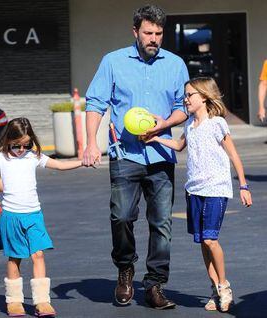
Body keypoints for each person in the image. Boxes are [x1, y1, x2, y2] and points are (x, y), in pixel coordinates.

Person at [83, 4, 189, 309]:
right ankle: (125, 270)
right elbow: (95, 103)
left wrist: (164, 125)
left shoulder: (176, 64)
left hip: (160, 156)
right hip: (124, 155)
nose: (154, 38)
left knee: (162, 224)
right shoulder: (113, 62)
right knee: (122, 217)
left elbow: (184, 107)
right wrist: (92, 142)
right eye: (148, 33)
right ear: (135, 32)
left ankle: (155, 285)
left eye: (158, 33)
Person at [146, 77, 252, 312]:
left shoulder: (217, 124)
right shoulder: (189, 125)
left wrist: (243, 186)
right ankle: (214, 289)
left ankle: (224, 287)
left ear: (204, 96)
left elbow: (234, 156)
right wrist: (155, 138)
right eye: (185, 95)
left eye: (190, 94)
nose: (186, 99)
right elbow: (178, 145)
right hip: (194, 190)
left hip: (216, 188)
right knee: (202, 243)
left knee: (210, 239)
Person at [0, 117, 84, 317]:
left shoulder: (33, 156)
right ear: (8, 140)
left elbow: (58, 165)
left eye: (27, 144)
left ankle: (42, 301)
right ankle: (14, 300)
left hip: (34, 215)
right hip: (12, 216)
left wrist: (82, 162)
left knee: (38, 255)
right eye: (17, 145)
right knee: (15, 258)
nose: (22, 149)